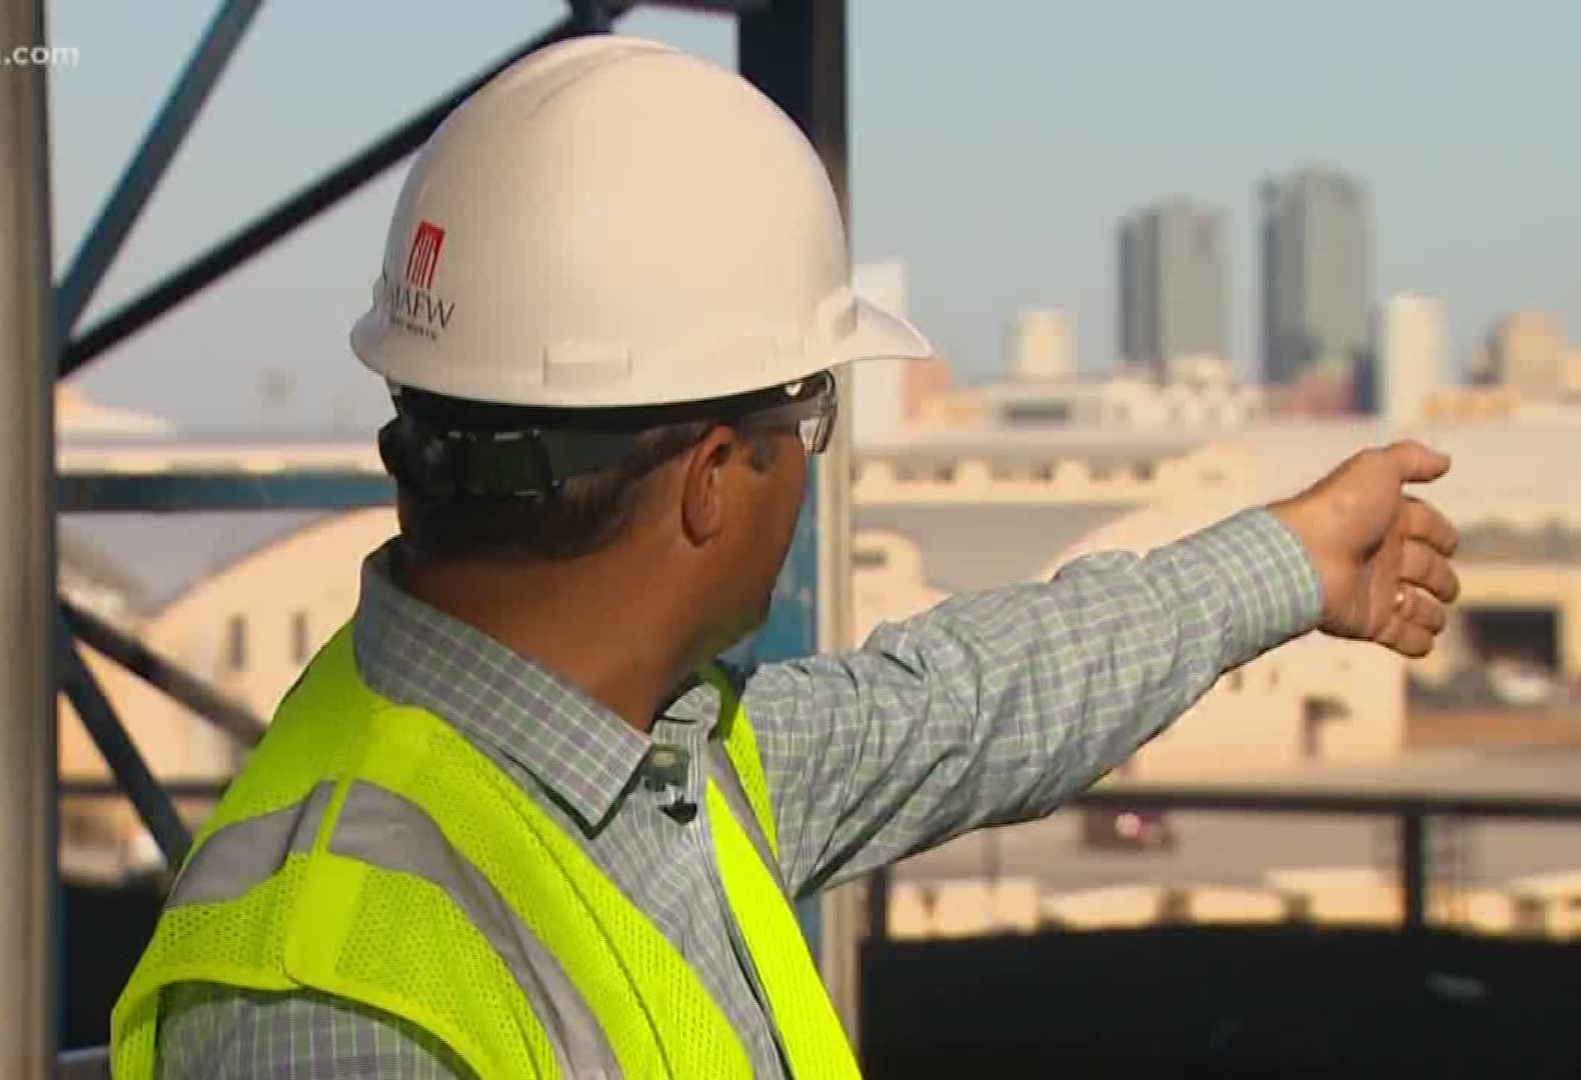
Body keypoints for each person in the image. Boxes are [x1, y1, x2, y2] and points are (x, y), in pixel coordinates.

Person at [110, 34, 1460, 1080]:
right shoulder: (332, 1001)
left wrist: (1290, 559)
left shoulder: (658, 761)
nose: (814, 460)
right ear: (712, 476)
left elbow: (970, 702)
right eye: (810, 410)